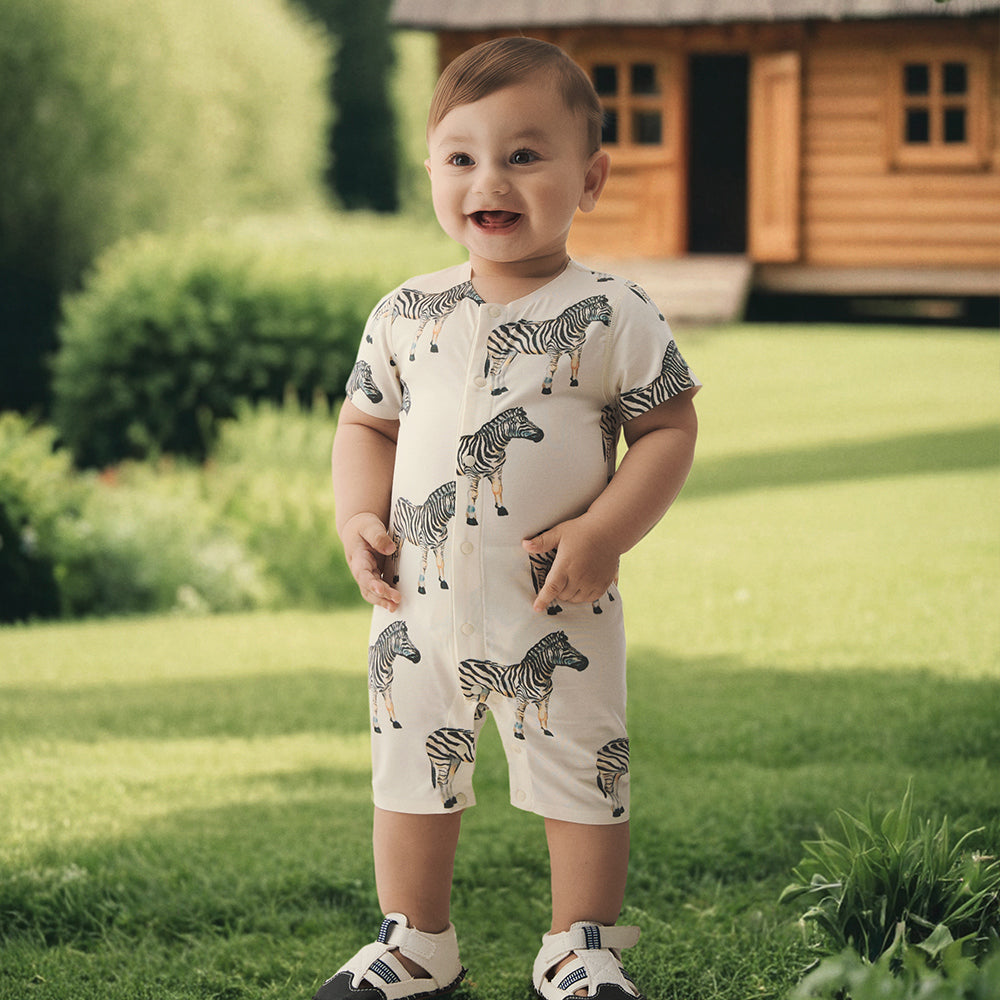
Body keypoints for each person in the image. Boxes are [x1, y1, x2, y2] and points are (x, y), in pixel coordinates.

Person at [321, 36, 699, 1000]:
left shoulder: (613, 312)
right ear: (433, 172)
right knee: (411, 770)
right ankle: (414, 942)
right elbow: (366, 420)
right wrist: (358, 516)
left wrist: (605, 533)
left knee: (585, 772)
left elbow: (667, 430)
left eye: (525, 154)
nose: (490, 177)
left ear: (591, 176)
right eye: (463, 156)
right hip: (417, 612)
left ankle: (581, 944)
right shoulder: (406, 311)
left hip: (558, 599)